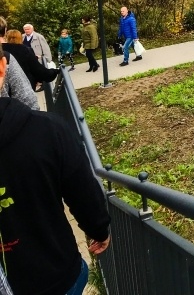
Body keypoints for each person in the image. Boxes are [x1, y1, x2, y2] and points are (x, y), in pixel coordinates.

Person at [0, 86, 111, 295]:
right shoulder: (49, 130)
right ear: (3, 67)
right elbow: (82, 191)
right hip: (55, 272)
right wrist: (99, 229)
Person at [0, 26, 45, 107]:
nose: (26, 31)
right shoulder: (24, 49)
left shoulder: (38, 37)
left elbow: (44, 48)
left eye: (28, 29)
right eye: (25, 29)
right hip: (24, 86)